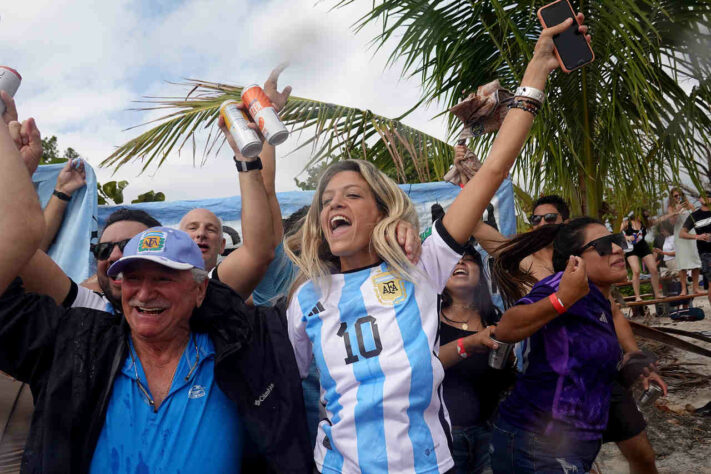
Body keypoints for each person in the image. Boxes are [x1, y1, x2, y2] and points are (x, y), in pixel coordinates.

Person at [284, 17, 590, 473]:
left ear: (382, 211)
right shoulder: (306, 297)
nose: (334, 206)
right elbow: (293, 382)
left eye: (351, 195)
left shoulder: (421, 265)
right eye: (326, 201)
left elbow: (490, 173)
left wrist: (538, 70)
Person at [0, 118, 313, 472]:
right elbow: (15, 262)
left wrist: (251, 156)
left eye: (163, 278)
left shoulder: (244, 345)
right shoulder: (77, 345)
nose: (144, 293)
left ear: (199, 289)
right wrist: (10, 169)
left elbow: (260, 252)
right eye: (130, 276)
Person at [490, 218, 634, 472]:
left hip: (573, 445)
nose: (617, 249)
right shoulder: (563, 286)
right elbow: (507, 328)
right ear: (574, 260)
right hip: (537, 441)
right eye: (603, 245)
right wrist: (562, 299)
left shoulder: (598, 299)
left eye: (617, 241)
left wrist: (636, 363)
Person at [436, 244, 512, 474]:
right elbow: (422, 365)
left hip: (489, 430)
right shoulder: (427, 318)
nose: (460, 263)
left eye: (468, 259)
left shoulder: (495, 318)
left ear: (480, 274)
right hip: (445, 433)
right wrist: (470, 344)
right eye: (453, 259)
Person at [621, 212, 663, 301]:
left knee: (654, 269)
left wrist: (673, 213)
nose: (643, 217)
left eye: (645, 216)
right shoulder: (626, 222)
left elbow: (659, 219)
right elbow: (619, 234)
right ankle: (637, 296)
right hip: (631, 248)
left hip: (643, 247)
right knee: (636, 271)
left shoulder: (645, 223)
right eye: (642, 215)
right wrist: (627, 237)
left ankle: (657, 293)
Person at [679, 190, 711, 308]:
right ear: (699, 200)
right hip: (706, 253)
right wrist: (697, 236)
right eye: (702, 196)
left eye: (708, 196)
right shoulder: (694, 216)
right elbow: (682, 234)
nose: (705, 198)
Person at [667, 187, 701, 295]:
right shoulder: (671, 208)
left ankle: (695, 287)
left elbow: (697, 219)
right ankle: (683, 289)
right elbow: (672, 222)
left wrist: (692, 208)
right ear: (672, 198)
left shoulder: (689, 204)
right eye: (675, 196)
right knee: (682, 263)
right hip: (680, 236)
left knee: (695, 261)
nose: (678, 197)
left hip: (691, 234)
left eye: (679, 195)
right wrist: (677, 211)